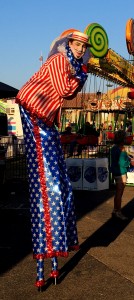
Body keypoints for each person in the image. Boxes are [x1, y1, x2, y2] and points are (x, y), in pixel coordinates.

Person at [15, 30, 91, 290]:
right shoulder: (60, 61)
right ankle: (47, 250)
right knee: (48, 185)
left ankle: (53, 255)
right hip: (34, 113)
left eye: (84, 46)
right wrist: (83, 72)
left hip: (45, 121)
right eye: (77, 44)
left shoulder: (69, 64)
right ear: (68, 44)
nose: (80, 49)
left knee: (59, 183)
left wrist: (80, 69)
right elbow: (66, 89)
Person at [110, 130, 134, 221]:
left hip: (116, 172)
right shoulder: (121, 149)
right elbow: (122, 163)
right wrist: (130, 162)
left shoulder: (114, 147)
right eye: (125, 137)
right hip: (121, 173)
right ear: (122, 139)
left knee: (118, 193)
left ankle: (115, 210)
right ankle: (118, 212)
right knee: (119, 193)